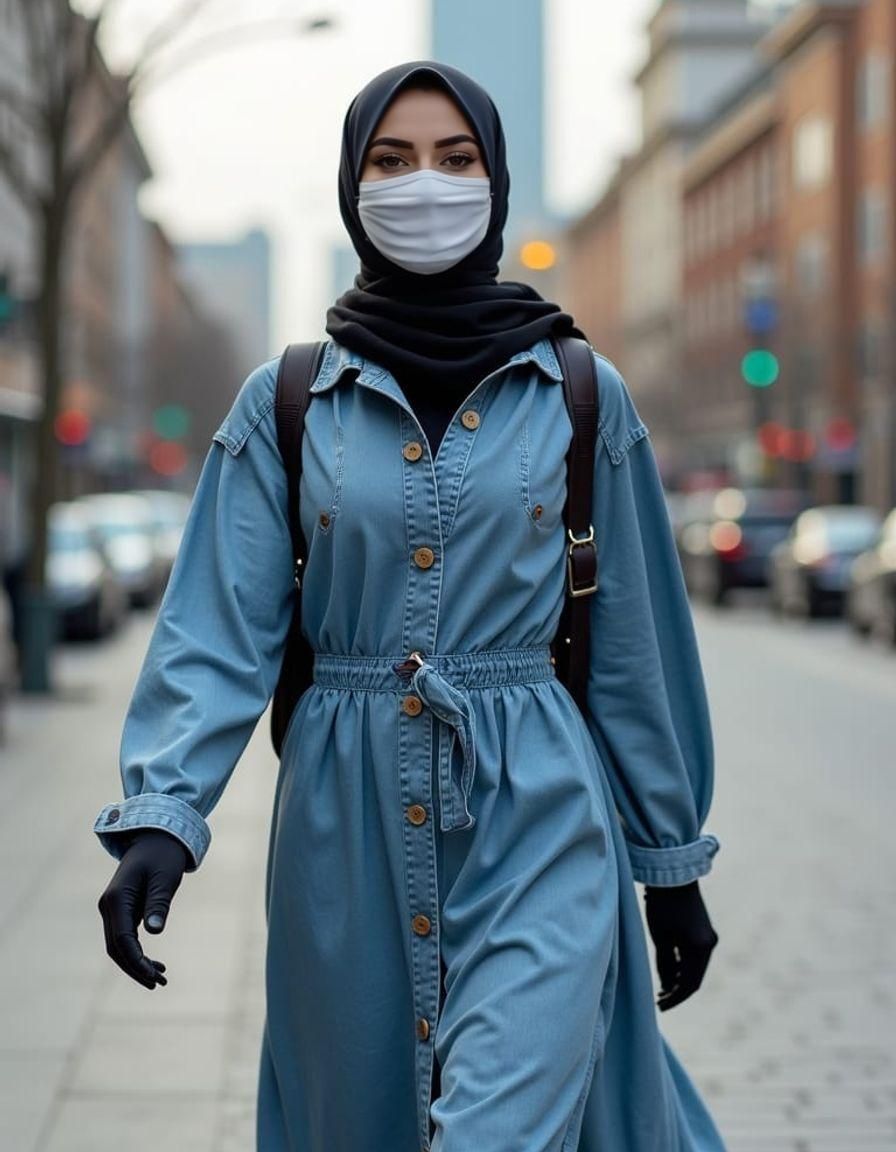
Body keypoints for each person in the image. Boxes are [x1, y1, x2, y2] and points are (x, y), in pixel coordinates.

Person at [94, 60, 725, 1152]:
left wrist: (665, 864)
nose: (421, 184)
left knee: (496, 1127)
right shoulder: (287, 401)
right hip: (343, 828)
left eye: (453, 158)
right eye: (389, 161)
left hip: (539, 810)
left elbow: (634, 650)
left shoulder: (579, 390)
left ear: (495, 179)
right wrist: (162, 813)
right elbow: (215, 627)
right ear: (351, 187)